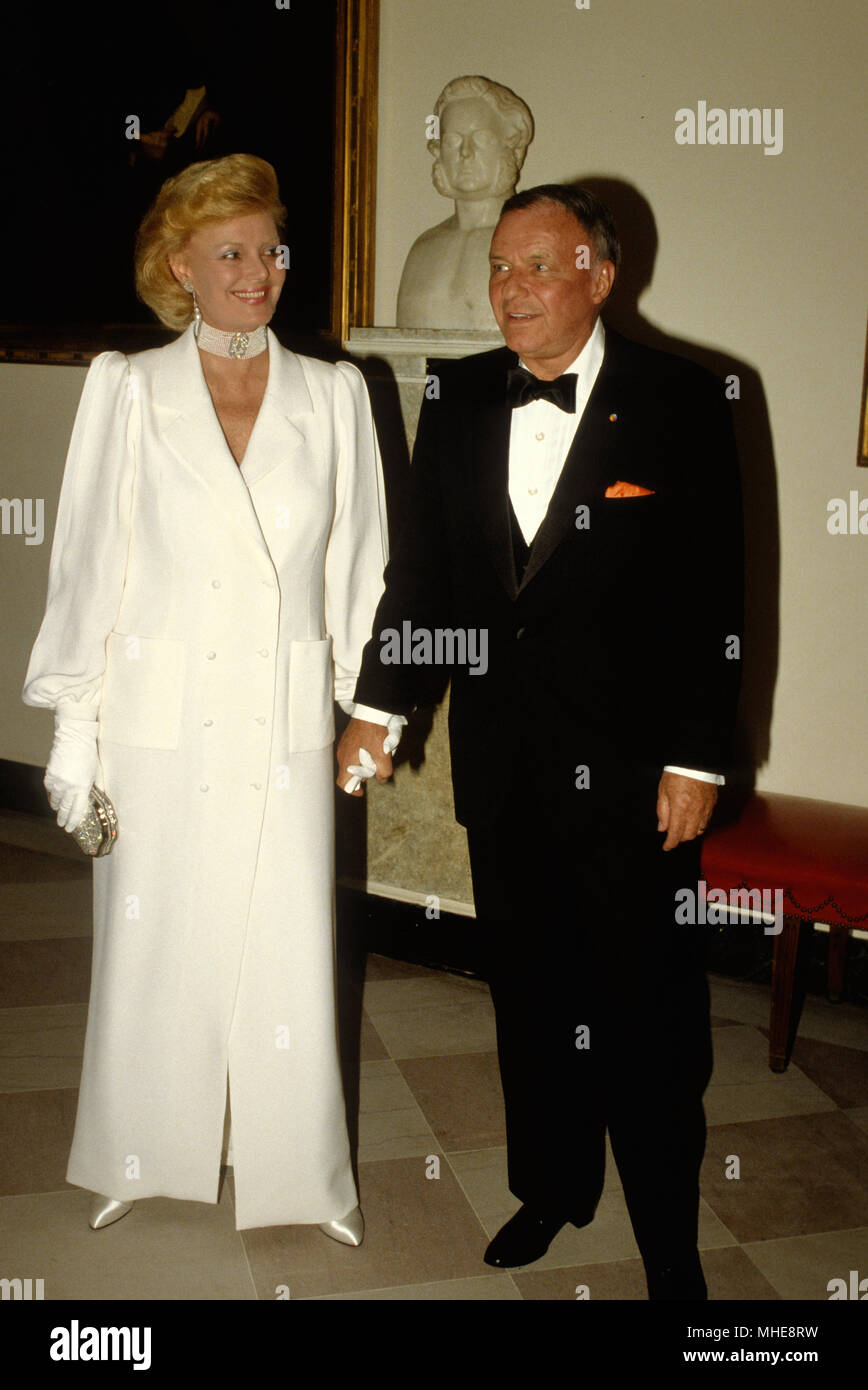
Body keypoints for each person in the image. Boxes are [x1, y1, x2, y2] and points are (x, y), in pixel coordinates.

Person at [338, 184, 744, 1299]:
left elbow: (714, 591)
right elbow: (422, 578)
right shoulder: (461, 394)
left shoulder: (684, 395)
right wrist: (379, 709)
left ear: (598, 277)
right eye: (500, 269)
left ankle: (668, 1236)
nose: (508, 288)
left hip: (635, 778)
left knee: (649, 1017)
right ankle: (552, 1185)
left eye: (535, 266)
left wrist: (698, 756)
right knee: (532, 998)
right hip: (505, 769)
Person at [23, 153, 392, 1242]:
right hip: (159, 720)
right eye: (229, 251)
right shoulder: (127, 388)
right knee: (153, 946)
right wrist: (72, 737)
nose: (257, 271)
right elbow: (92, 567)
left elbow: (360, 571)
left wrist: (366, 710)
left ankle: (303, 1176)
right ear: (179, 263)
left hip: (282, 725)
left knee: (288, 947)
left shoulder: (334, 395)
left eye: (270, 249)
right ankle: (143, 1152)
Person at [396, 75, 534, 329]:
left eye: (480, 138)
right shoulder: (423, 248)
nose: (465, 153)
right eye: (452, 141)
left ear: (511, 146)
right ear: (438, 151)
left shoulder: (536, 242)